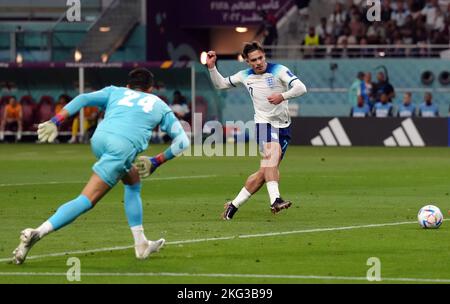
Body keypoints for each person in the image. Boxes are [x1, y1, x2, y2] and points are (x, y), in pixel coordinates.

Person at [12, 68, 190, 264]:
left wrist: (56, 121)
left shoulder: (116, 91)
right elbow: (183, 142)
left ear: (128, 86)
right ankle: (37, 232)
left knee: (132, 179)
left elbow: (82, 99)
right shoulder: (159, 104)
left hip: (99, 140)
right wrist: (156, 161)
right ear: (150, 89)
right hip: (121, 149)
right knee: (87, 200)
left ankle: (141, 243)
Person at [206, 41, 307, 220]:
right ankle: (275, 199)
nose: (258, 62)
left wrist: (282, 96)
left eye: (260, 58)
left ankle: (233, 206)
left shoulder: (279, 70)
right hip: (263, 123)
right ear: (247, 61)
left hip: (283, 126)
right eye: (254, 60)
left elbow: (301, 88)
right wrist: (212, 67)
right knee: (272, 156)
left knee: (264, 172)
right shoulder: (244, 75)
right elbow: (221, 84)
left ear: (264, 56)